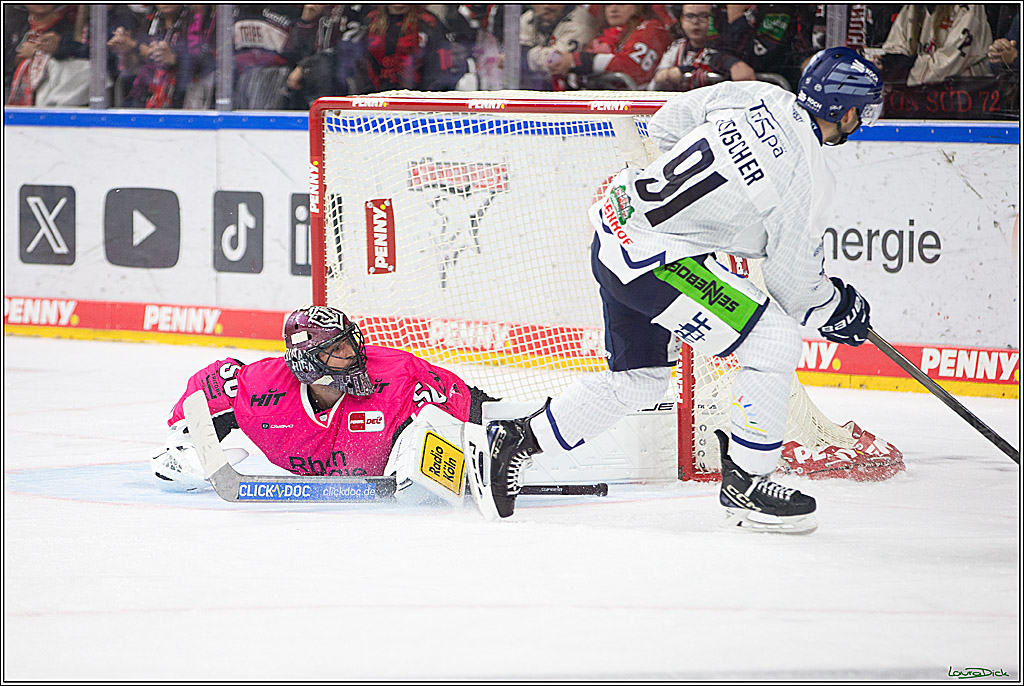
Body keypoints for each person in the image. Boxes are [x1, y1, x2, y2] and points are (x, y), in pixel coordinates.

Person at [484, 47, 885, 534]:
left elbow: (670, 120)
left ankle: (519, 438)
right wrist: (838, 307)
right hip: (655, 262)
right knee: (774, 339)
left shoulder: (759, 96)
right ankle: (750, 483)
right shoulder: (810, 180)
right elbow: (794, 287)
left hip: (615, 232)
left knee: (641, 380)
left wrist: (703, 213)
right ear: (847, 112)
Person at [152, 305, 495, 494]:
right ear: (308, 363)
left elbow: (474, 406)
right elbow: (200, 396)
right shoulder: (260, 386)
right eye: (336, 349)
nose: (353, 353)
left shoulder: (398, 373)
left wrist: (511, 433)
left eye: (350, 341)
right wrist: (183, 444)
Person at [546, 4, 672, 90]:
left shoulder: (653, 28)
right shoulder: (601, 36)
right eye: (608, 3)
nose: (613, 8)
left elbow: (632, 68)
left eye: (621, 3)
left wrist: (578, 60)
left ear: (638, 6)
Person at [360, 4, 464, 93]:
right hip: (375, 100)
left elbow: (440, 68)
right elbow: (361, 63)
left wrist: (425, 99)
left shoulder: (428, 22)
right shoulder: (371, 21)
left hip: (417, 101)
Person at [879, 4, 992, 86]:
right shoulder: (912, 7)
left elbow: (948, 64)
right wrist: (888, 64)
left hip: (964, 101)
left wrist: (906, 67)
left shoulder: (969, 8)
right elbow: (894, 48)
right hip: (921, 98)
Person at [651, 3, 753, 91]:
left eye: (703, 16)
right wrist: (666, 75)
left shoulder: (727, 51)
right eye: (690, 16)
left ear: (714, 19)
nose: (695, 22)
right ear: (682, 20)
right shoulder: (677, 47)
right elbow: (655, 83)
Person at [516, 4, 597, 91]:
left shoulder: (580, 22)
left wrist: (524, 55)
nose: (547, 5)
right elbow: (513, 55)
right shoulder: (528, 17)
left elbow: (556, 61)